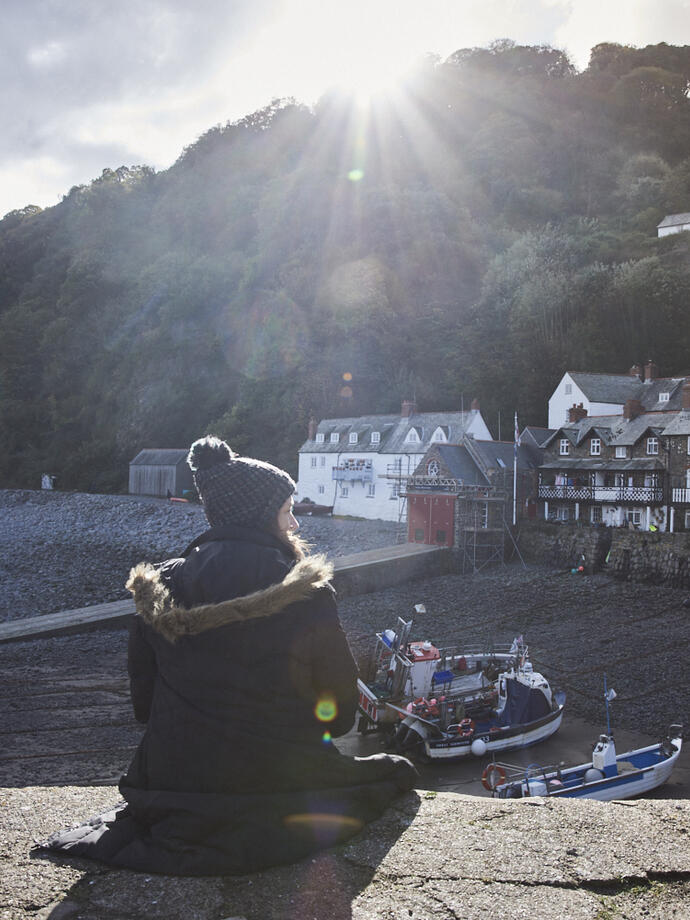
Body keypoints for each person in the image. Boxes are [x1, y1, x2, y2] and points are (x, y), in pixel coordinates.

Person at [40, 436, 417, 875]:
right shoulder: (305, 593)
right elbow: (340, 714)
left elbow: (144, 708)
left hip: (169, 786)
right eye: (286, 510)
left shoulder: (157, 590)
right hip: (277, 786)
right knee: (395, 773)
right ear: (260, 517)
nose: (295, 524)